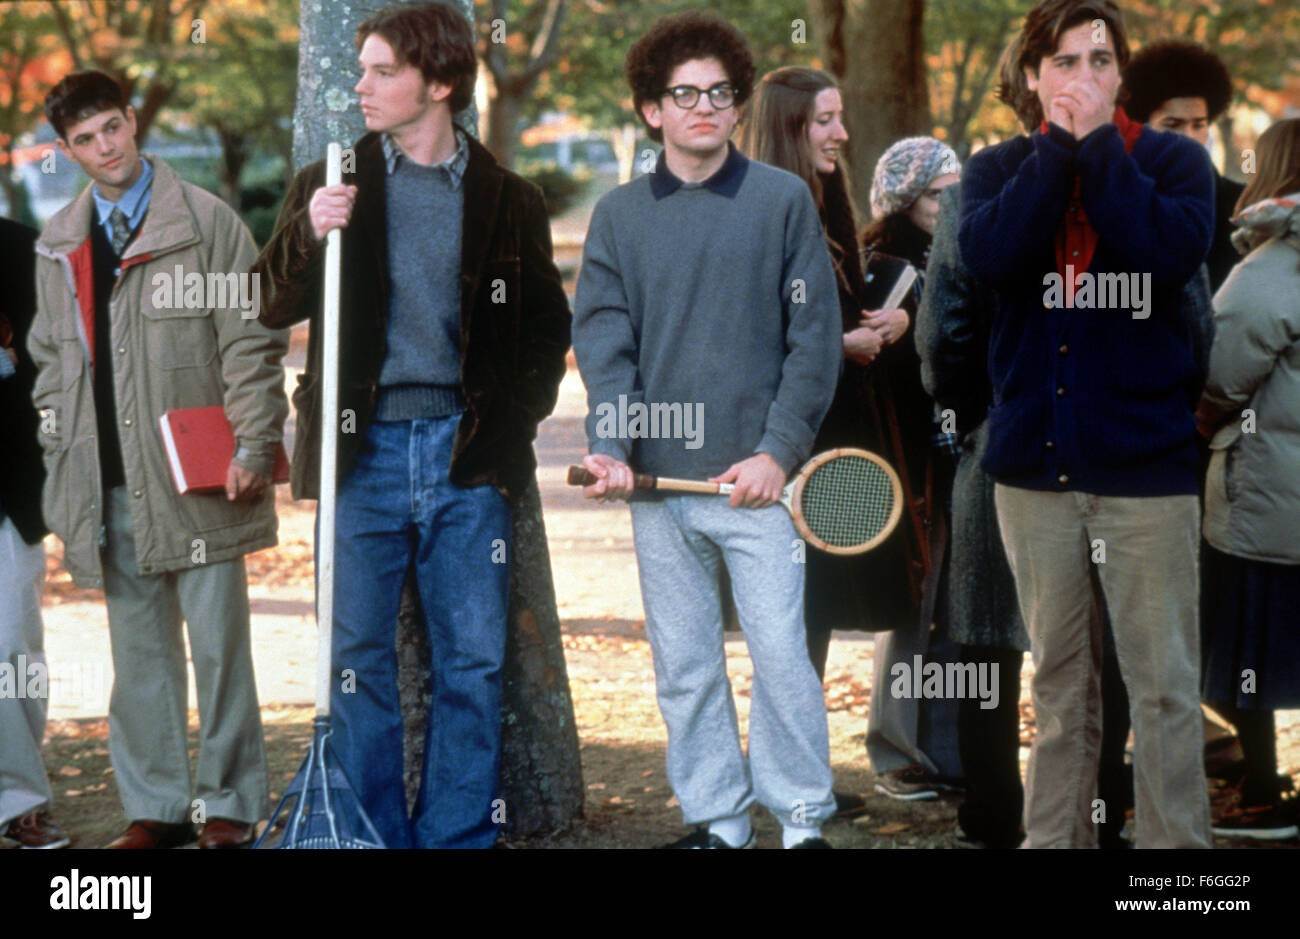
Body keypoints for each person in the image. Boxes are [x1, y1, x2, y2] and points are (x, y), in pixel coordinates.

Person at [253, 1, 570, 850]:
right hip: (362, 456)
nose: (361, 86)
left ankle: (456, 837)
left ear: (438, 84)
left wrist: (510, 427)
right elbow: (266, 303)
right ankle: (373, 837)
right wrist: (307, 233)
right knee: (357, 660)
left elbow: (546, 328)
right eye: (360, 69)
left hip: (469, 459)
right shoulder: (336, 177)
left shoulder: (508, 198)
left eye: (382, 70)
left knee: (473, 663)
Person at [572, 11, 841, 849]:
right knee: (686, 668)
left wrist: (778, 451)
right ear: (651, 110)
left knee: (784, 664)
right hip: (658, 490)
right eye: (683, 95)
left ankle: (800, 823)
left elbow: (815, 341)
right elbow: (605, 342)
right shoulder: (618, 217)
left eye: (719, 94)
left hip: (758, 486)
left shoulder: (782, 200)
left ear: (735, 105)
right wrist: (613, 446)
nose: (703, 109)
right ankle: (719, 822)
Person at [958, 0, 1216, 848]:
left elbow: (1163, 255)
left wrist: (1099, 146)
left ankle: (1176, 867)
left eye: (1101, 62)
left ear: (1122, 77)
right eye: (1065, 62)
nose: (1084, 78)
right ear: (1032, 77)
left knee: (1166, 688)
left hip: (1147, 473)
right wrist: (1055, 154)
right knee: (1060, 686)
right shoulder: (997, 170)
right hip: (1034, 473)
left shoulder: (1175, 161)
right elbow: (994, 260)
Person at [30, 70, 289, 849]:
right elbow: (49, 361)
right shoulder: (60, 244)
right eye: (85, 139)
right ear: (68, 151)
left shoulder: (205, 222)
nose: (104, 147)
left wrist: (251, 439)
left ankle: (231, 807)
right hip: (109, 480)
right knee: (138, 660)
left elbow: (249, 340)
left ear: (132, 121)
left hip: (202, 475)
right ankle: (158, 811)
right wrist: (59, 454)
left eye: (112, 127)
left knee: (219, 650)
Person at [737, 68, 921, 815]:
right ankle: (784, 782)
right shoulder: (755, 211)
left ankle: (796, 776)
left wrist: (886, 326)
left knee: (811, 615)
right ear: (787, 126)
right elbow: (746, 338)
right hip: (785, 444)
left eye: (841, 118)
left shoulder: (825, 205)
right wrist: (834, 345)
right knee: (789, 617)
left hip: (841, 437)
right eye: (823, 121)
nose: (841, 134)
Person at [916, 186, 1030, 848]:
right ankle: (1100, 809)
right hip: (1102, 444)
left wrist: (969, 415)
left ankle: (993, 812)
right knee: (1096, 648)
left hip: (998, 435)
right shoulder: (1144, 183)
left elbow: (940, 337)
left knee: (989, 638)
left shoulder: (974, 202)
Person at [1196, 117, 1300, 840]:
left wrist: (1203, 422)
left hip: (1267, 499)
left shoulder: (1270, 270)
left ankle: (1263, 791)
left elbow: (1220, 375)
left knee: (1250, 647)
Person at [859, 137, 966, 801]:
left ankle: (947, 750)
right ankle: (896, 748)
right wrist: (911, 317)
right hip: (914, 462)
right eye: (935, 192)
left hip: (966, 459)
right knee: (912, 608)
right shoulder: (888, 268)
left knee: (959, 612)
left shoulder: (962, 252)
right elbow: (876, 365)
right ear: (905, 200)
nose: (949, 203)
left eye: (957, 187)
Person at [1, 216, 68, 849]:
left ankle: (21, 801)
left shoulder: (23, 247)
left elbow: (52, 363)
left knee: (13, 648)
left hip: (7, 485)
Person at [1123, 39, 1243, 292]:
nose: (1188, 136)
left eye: (1199, 124)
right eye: (1172, 124)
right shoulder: (1121, 198)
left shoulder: (1240, 205)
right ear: (1142, 127)